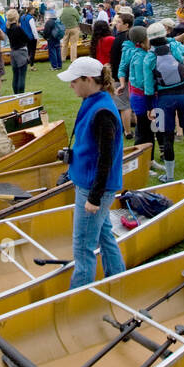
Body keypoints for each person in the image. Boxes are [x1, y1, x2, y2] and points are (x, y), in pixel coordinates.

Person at [57, 57, 125, 288]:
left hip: (93, 189)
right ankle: (117, 279)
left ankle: (78, 295)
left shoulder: (103, 111)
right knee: (105, 236)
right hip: (89, 183)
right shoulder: (94, 100)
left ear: (88, 80)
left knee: (83, 247)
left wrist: (95, 197)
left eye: (74, 81)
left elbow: (107, 157)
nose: (71, 86)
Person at [145, 22, 184, 182]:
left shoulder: (149, 57)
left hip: (163, 99)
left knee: (167, 137)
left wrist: (150, 107)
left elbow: (149, 87)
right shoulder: (174, 46)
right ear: (164, 35)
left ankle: (169, 176)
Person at [43, 6, 64, 71]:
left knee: (52, 52)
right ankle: (59, 65)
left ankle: (54, 66)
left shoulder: (49, 22)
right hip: (57, 37)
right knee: (58, 51)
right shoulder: (58, 20)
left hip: (51, 38)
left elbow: (46, 31)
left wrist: (45, 37)